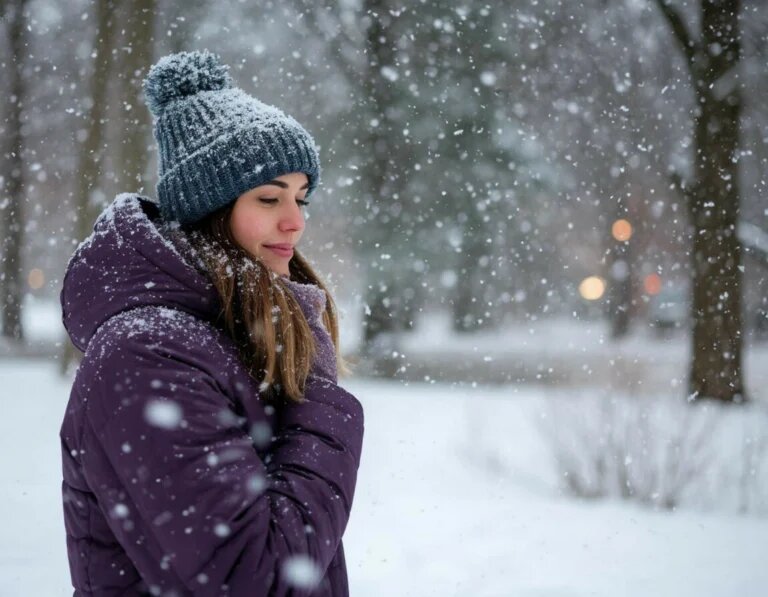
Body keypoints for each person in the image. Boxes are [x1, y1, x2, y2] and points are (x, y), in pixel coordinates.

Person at [59, 50, 364, 596]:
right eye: (269, 197)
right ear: (209, 210)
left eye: (301, 198)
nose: (295, 221)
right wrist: (318, 401)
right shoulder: (148, 354)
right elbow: (257, 577)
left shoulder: (228, 335)